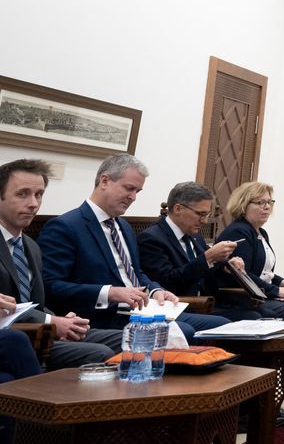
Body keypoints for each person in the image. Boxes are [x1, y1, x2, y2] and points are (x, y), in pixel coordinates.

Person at [38, 154, 229, 342]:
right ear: (104, 181)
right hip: (101, 316)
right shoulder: (66, 227)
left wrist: (155, 290)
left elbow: (135, 274)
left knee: (222, 325)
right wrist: (109, 292)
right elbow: (50, 285)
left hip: (141, 310)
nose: (133, 197)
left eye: (138, 191)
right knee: (183, 331)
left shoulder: (124, 227)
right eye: (129, 188)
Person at [0, 158, 120, 367]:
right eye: (22, 194)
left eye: (39, 194)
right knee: (100, 353)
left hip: (42, 331)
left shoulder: (31, 246)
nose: (33, 203)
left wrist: (64, 321)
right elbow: (8, 310)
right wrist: (51, 322)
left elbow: (36, 303)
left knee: (127, 339)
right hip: (15, 338)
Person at [138, 182, 262, 321]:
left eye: (207, 214)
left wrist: (226, 265)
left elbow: (207, 269)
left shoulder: (195, 236)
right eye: (200, 214)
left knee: (258, 315)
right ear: (178, 209)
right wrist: (208, 258)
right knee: (244, 319)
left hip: (209, 304)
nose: (205, 221)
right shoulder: (151, 238)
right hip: (179, 307)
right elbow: (168, 281)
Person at [213, 182, 284, 318]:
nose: (267, 207)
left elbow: (263, 271)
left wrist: (281, 281)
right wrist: (277, 291)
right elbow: (243, 275)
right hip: (243, 299)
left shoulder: (261, 233)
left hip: (261, 295)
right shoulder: (239, 232)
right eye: (260, 202)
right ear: (243, 205)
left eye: (269, 202)